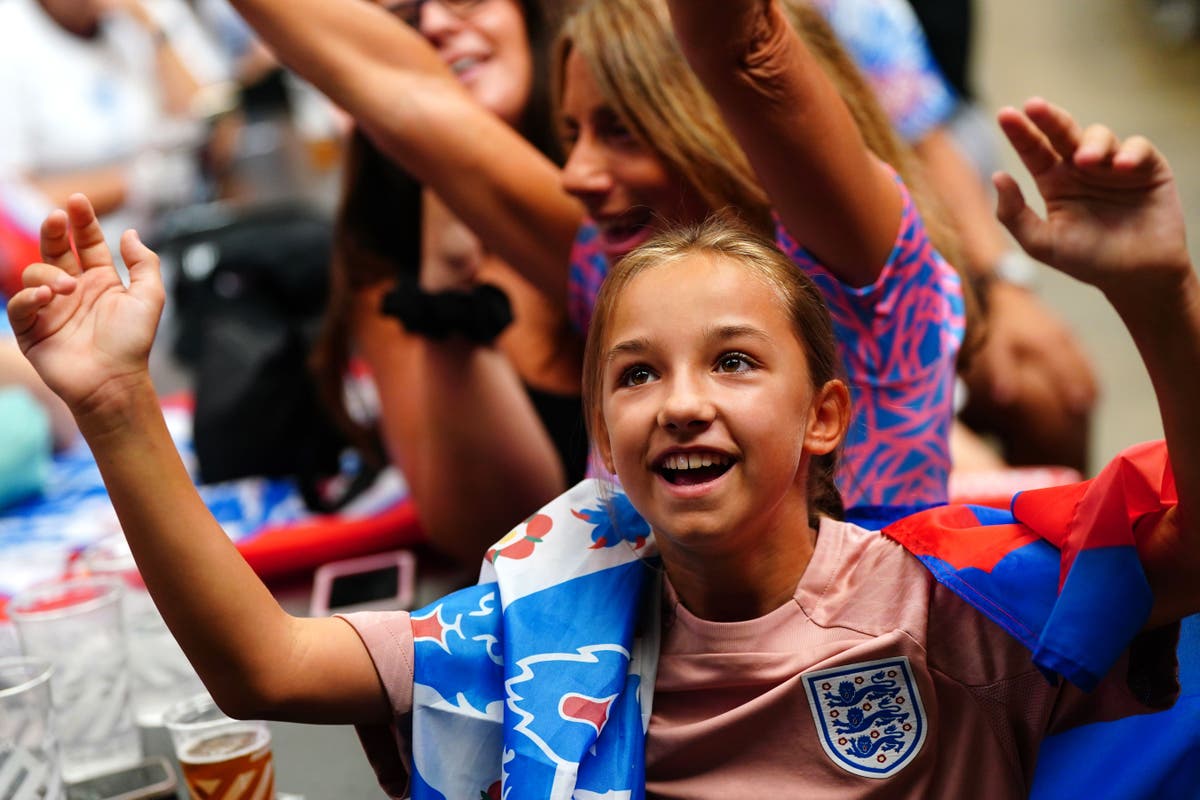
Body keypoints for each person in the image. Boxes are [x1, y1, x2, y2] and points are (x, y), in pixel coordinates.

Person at [6, 94, 1197, 796]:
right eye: (637, 373)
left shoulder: (953, 592)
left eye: (734, 361)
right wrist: (115, 402)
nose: (680, 401)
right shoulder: (546, 615)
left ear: (825, 415)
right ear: (608, 443)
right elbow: (264, 665)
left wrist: (1160, 295)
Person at [0, 0, 229, 243]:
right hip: (79, 254)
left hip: (178, 234)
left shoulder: (148, 12)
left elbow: (220, 130)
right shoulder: (11, 32)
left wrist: (154, 31)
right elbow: (14, 205)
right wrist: (137, 183)